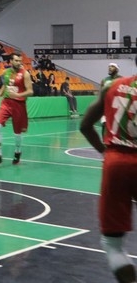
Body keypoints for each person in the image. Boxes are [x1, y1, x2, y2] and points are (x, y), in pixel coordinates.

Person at [79, 60, 137, 283]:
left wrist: (106, 153)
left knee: (112, 244)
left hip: (116, 164)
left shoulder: (111, 87)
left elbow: (85, 126)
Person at [0, 52, 33, 165]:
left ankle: (17, 152)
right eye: (16, 60)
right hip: (6, 103)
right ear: (11, 61)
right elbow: (4, 86)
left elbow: (30, 91)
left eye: (20, 61)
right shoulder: (6, 72)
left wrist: (18, 95)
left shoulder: (25, 74)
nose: (19, 63)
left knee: (17, 133)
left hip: (19, 105)